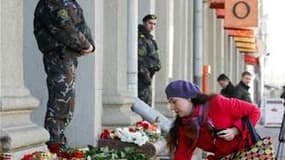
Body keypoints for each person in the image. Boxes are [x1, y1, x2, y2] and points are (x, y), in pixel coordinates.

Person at [33, 0, 95, 152]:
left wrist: (90, 44)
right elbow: (65, 27)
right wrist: (86, 45)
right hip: (58, 56)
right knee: (60, 101)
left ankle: (58, 141)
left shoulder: (69, 2)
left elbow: (81, 24)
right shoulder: (52, 2)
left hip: (67, 57)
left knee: (67, 103)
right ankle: (54, 145)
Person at [165, 80, 260, 160]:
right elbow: (183, 155)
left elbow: (254, 111)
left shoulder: (217, 103)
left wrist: (235, 130)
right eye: (169, 104)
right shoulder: (185, 125)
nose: (171, 108)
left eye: (174, 102)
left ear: (189, 97)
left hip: (247, 154)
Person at [138, 14, 161, 105]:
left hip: (147, 77)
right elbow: (140, 60)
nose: (152, 26)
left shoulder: (149, 38)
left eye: (154, 24)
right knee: (143, 105)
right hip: (142, 79)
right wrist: (145, 77)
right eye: (150, 23)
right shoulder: (141, 38)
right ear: (144, 23)